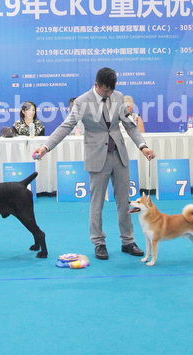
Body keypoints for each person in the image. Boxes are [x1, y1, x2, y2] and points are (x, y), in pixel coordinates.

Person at [34, 67, 155, 260]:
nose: (109, 94)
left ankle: (128, 241)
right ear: (96, 85)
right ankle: (99, 243)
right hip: (97, 158)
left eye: (111, 91)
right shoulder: (82, 102)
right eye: (105, 91)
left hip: (119, 155)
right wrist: (45, 147)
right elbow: (66, 126)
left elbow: (129, 125)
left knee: (125, 201)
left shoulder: (118, 97)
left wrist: (143, 146)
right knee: (96, 204)